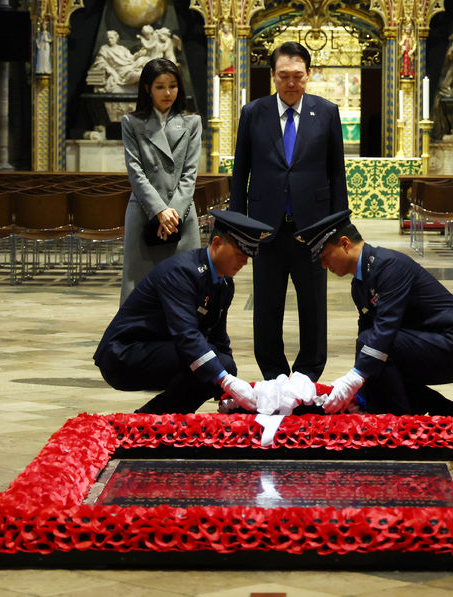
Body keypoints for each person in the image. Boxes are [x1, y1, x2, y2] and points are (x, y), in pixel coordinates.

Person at [295, 210, 453, 415]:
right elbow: (368, 342)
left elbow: (385, 328)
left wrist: (354, 379)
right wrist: (357, 392)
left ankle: (395, 424)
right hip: (427, 342)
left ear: (345, 243)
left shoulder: (389, 266)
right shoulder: (359, 284)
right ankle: (443, 412)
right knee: (373, 357)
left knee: (374, 348)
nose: (324, 264)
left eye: (325, 255)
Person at [229, 40, 348, 381]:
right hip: (266, 227)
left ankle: (308, 372)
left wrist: (340, 227)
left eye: (298, 75)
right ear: (272, 77)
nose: (291, 83)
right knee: (267, 305)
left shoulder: (326, 112)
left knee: (313, 305)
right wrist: (237, 227)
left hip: (313, 227)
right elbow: (241, 173)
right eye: (284, 76)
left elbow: (336, 172)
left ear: (309, 75)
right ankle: (274, 373)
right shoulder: (254, 113)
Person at [94, 210, 273, 414]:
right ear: (216, 243)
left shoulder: (224, 283)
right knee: (212, 366)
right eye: (240, 254)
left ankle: (154, 419)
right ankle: (147, 422)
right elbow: (186, 335)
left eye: (248, 257)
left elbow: (218, 336)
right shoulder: (182, 273)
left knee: (223, 364)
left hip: (159, 348)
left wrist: (227, 389)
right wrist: (225, 380)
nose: (244, 262)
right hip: (124, 355)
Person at [120, 58, 202, 305]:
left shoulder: (192, 123)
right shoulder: (131, 123)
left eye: (173, 86)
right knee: (139, 287)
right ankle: (136, 342)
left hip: (182, 214)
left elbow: (190, 174)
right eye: (160, 86)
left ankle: (184, 342)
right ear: (147, 88)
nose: (168, 93)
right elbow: (135, 172)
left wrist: (172, 212)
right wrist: (159, 211)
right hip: (145, 212)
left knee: (184, 287)